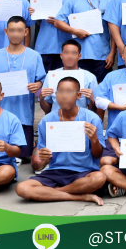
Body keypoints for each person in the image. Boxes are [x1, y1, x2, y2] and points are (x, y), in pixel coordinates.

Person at [16, 77, 106, 205]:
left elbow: (97, 155)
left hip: (83, 172)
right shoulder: (47, 121)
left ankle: (53, 192)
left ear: (78, 95)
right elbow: (40, 161)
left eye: (69, 91)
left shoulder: (92, 119)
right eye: (60, 91)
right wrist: (43, 157)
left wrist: (95, 139)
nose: (64, 96)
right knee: (22, 188)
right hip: (56, 171)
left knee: (99, 178)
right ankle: (80, 196)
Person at [0, 16, 45, 160]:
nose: (15, 34)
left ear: (26, 32)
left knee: (23, 155)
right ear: (6, 31)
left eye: (19, 30)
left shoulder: (34, 56)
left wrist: (37, 85)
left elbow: (41, 79)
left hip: (24, 112)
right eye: (12, 30)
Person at [53, 0, 114, 84]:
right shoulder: (73, 0)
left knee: (101, 89)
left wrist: (112, 53)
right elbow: (58, 22)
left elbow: (114, 29)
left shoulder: (109, 1)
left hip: (102, 55)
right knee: (79, 88)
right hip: (79, 55)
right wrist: (74, 31)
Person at [29, 0, 79, 74]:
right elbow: (38, 22)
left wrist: (59, 21)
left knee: (65, 78)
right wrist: (34, 14)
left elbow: (77, 19)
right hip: (45, 44)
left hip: (66, 44)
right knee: (45, 78)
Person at [40, 40, 98, 114]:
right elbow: (47, 110)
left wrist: (92, 100)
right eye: (66, 53)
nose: (70, 56)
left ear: (79, 56)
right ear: (61, 55)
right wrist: (41, 99)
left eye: (73, 53)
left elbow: (92, 112)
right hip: (57, 119)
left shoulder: (90, 77)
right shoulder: (51, 76)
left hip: (80, 119)